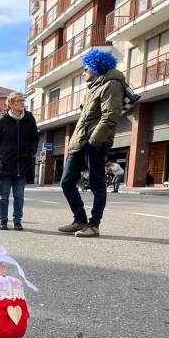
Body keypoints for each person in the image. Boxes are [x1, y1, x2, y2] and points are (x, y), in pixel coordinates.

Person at [59, 49, 125, 238]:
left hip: (95, 143)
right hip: (80, 142)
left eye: (86, 68)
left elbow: (110, 116)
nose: (83, 72)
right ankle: (80, 219)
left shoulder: (111, 85)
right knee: (66, 182)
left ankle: (94, 225)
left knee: (97, 184)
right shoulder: (93, 87)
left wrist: (94, 141)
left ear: (97, 67)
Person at [0, 91, 39, 231]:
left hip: (22, 164)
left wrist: (32, 151)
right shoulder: (1, 121)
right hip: (4, 165)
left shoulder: (29, 119)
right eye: (19, 101)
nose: (23, 103)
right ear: (10, 104)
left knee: (19, 195)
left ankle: (17, 221)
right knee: (4, 195)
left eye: (23, 100)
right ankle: (3, 221)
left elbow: (35, 138)